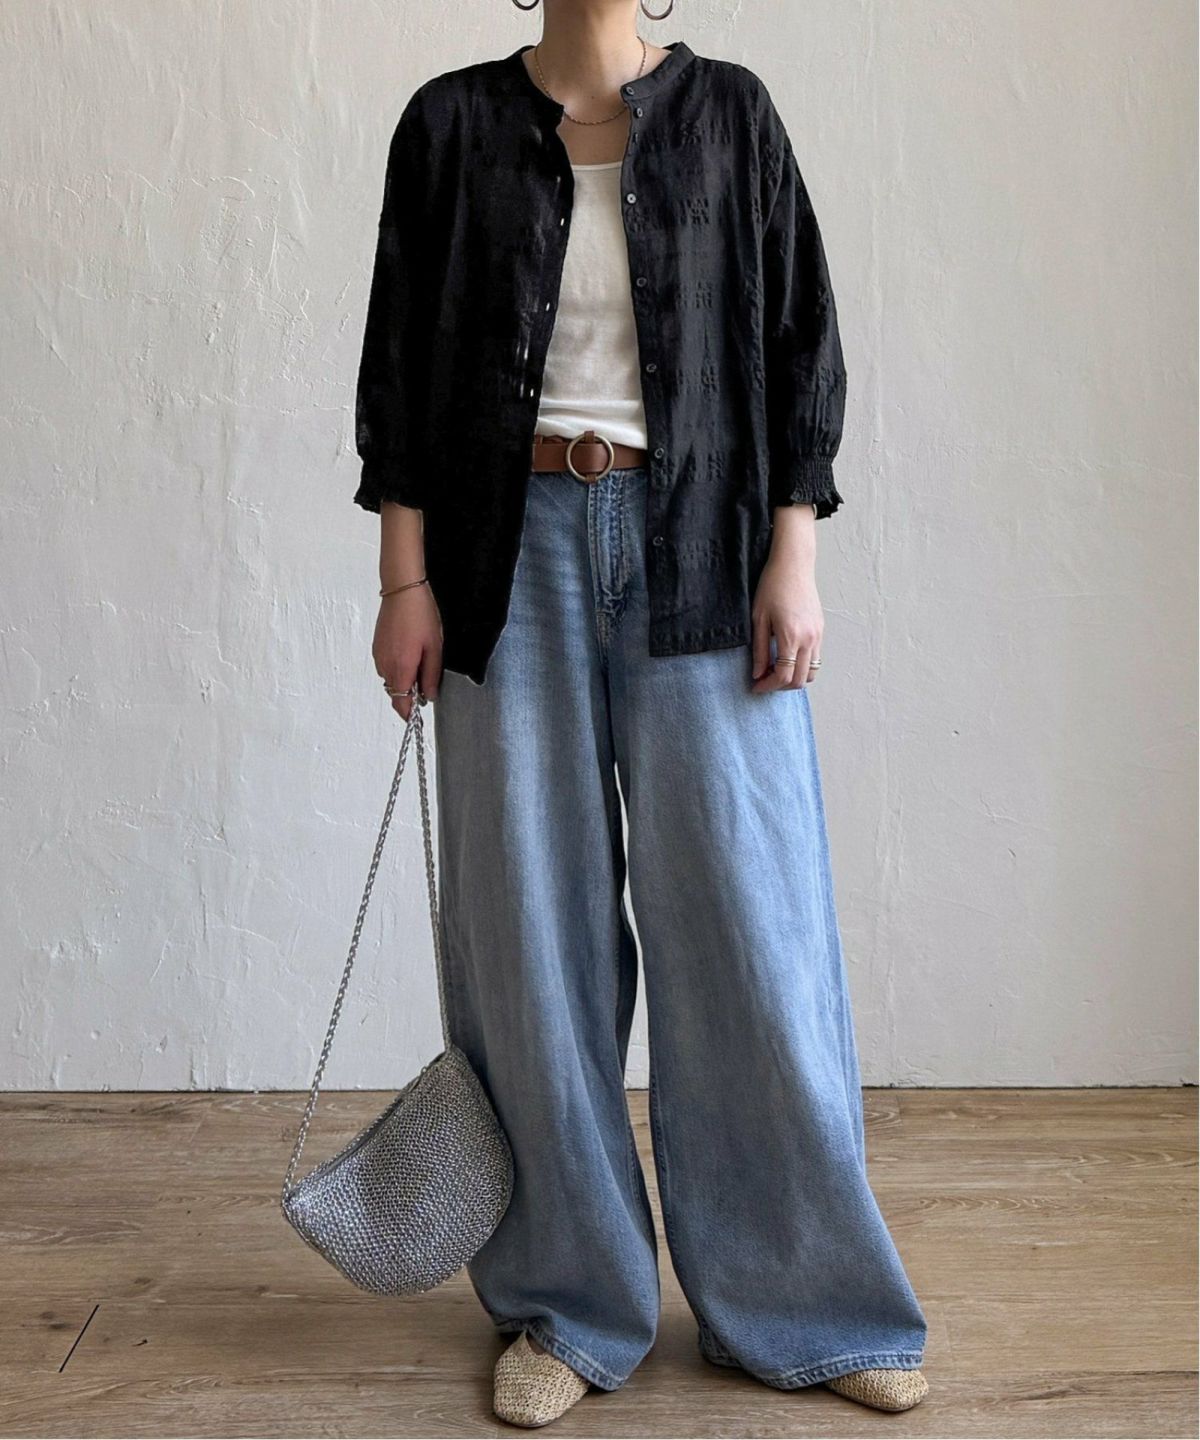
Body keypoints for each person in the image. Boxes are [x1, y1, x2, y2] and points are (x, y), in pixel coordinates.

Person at [353, 0, 928, 1426]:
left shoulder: (732, 114)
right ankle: (569, 1305)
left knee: (749, 931)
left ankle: (806, 1307)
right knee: (529, 943)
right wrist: (405, 582)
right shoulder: (449, 125)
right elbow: (401, 374)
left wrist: (795, 556)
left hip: (704, 544)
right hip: (506, 554)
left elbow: (800, 340)